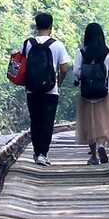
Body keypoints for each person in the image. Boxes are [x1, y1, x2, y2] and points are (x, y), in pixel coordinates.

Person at [21, 11, 71, 165]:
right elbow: (64, 69)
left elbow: (21, 64)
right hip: (51, 89)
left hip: (32, 89)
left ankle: (37, 153)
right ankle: (43, 153)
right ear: (51, 26)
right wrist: (59, 81)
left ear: (36, 26)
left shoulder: (28, 44)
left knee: (35, 120)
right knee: (47, 121)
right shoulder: (57, 45)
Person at [73, 22, 109, 165]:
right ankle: (101, 145)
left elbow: (76, 71)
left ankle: (93, 156)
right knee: (103, 121)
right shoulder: (108, 52)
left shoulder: (82, 53)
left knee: (89, 124)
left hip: (87, 93)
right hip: (105, 91)